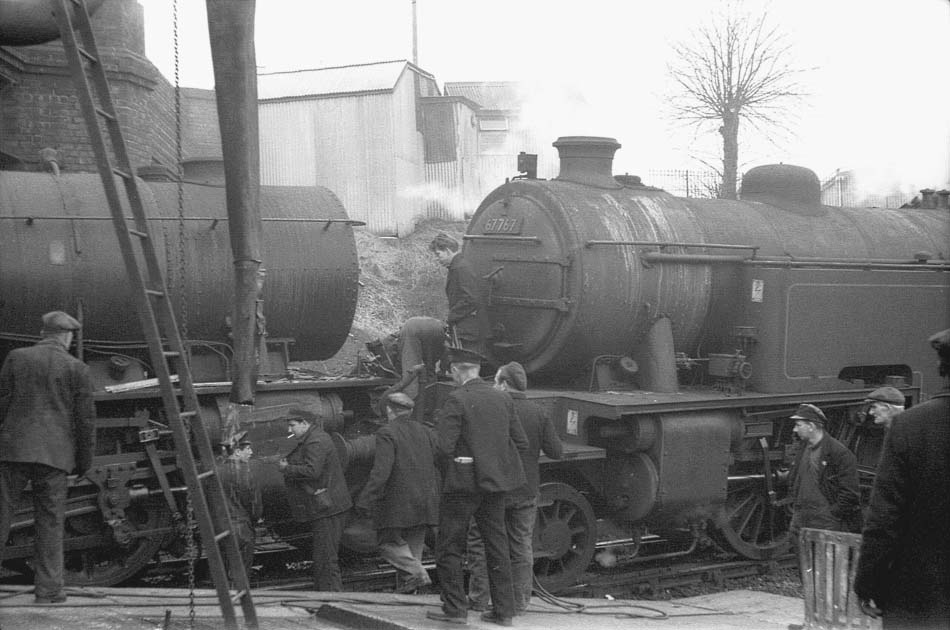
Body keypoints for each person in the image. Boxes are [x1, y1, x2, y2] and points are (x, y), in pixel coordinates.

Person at [854, 329, 950, 629]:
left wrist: (868, 582)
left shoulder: (910, 426)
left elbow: (884, 519)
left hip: (920, 595)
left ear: (941, 367)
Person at [427, 348, 528, 627]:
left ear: (457, 370)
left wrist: (463, 464)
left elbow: (443, 448)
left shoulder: (456, 399)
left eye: (451, 371)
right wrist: (492, 463)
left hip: (461, 488)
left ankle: (456, 609)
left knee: (449, 546)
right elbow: (521, 442)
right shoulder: (503, 398)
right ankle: (503, 612)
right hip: (495, 487)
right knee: (497, 546)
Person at [0, 311, 95, 604]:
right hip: (55, 455)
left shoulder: (16, 357)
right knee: (51, 522)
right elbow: (85, 421)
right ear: (67, 337)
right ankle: (49, 590)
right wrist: (84, 462)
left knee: (1, 515)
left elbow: (2, 402)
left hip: (13, 450)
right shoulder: (76, 368)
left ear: (43, 333)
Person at [468, 361, 563, 615]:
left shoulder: (492, 409)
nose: (493, 386)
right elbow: (556, 452)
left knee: (480, 543)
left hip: (494, 490)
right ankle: (520, 602)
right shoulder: (539, 412)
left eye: (496, 381)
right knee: (521, 545)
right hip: (525, 490)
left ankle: (479, 599)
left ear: (504, 384)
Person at [354, 392, 440, 593]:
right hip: (425, 501)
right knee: (413, 552)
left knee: (387, 544)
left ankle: (418, 574)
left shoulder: (387, 432)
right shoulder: (424, 430)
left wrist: (365, 499)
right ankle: (411, 598)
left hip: (400, 502)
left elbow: (381, 471)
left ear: (389, 411)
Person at [279, 407, 351, 591]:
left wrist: (287, 469)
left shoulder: (315, 441)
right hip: (329, 506)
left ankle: (333, 599)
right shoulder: (314, 437)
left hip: (329, 508)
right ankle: (326, 596)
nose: (290, 430)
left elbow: (313, 471)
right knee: (324, 557)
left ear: (305, 423)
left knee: (326, 558)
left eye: (292, 425)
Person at [786, 403, 862, 542]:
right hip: (801, 518)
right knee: (802, 561)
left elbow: (850, 493)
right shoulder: (804, 448)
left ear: (811, 426)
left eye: (798, 425)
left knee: (823, 561)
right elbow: (796, 477)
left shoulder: (839, 453)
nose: (795, 429)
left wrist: (831, 514)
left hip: (824, 522)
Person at [213, 431, 262, 579]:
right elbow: (254, 505)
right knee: (241, 575)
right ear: (237, 451)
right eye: (247, 449)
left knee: (225, 573)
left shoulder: (216, 472)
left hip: (220, 529)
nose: (251, 452)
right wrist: (254, 520)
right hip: (242, 529)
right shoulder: (245, 472)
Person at [429, 232, 483, 352]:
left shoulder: (461, 268)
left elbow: (471, 299)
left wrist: (452, 316)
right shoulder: (457, 267)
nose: (437, 259)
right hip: (463, 327)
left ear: (448, 251)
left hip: (467, 330)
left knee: (465, 364)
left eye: (438, 254)